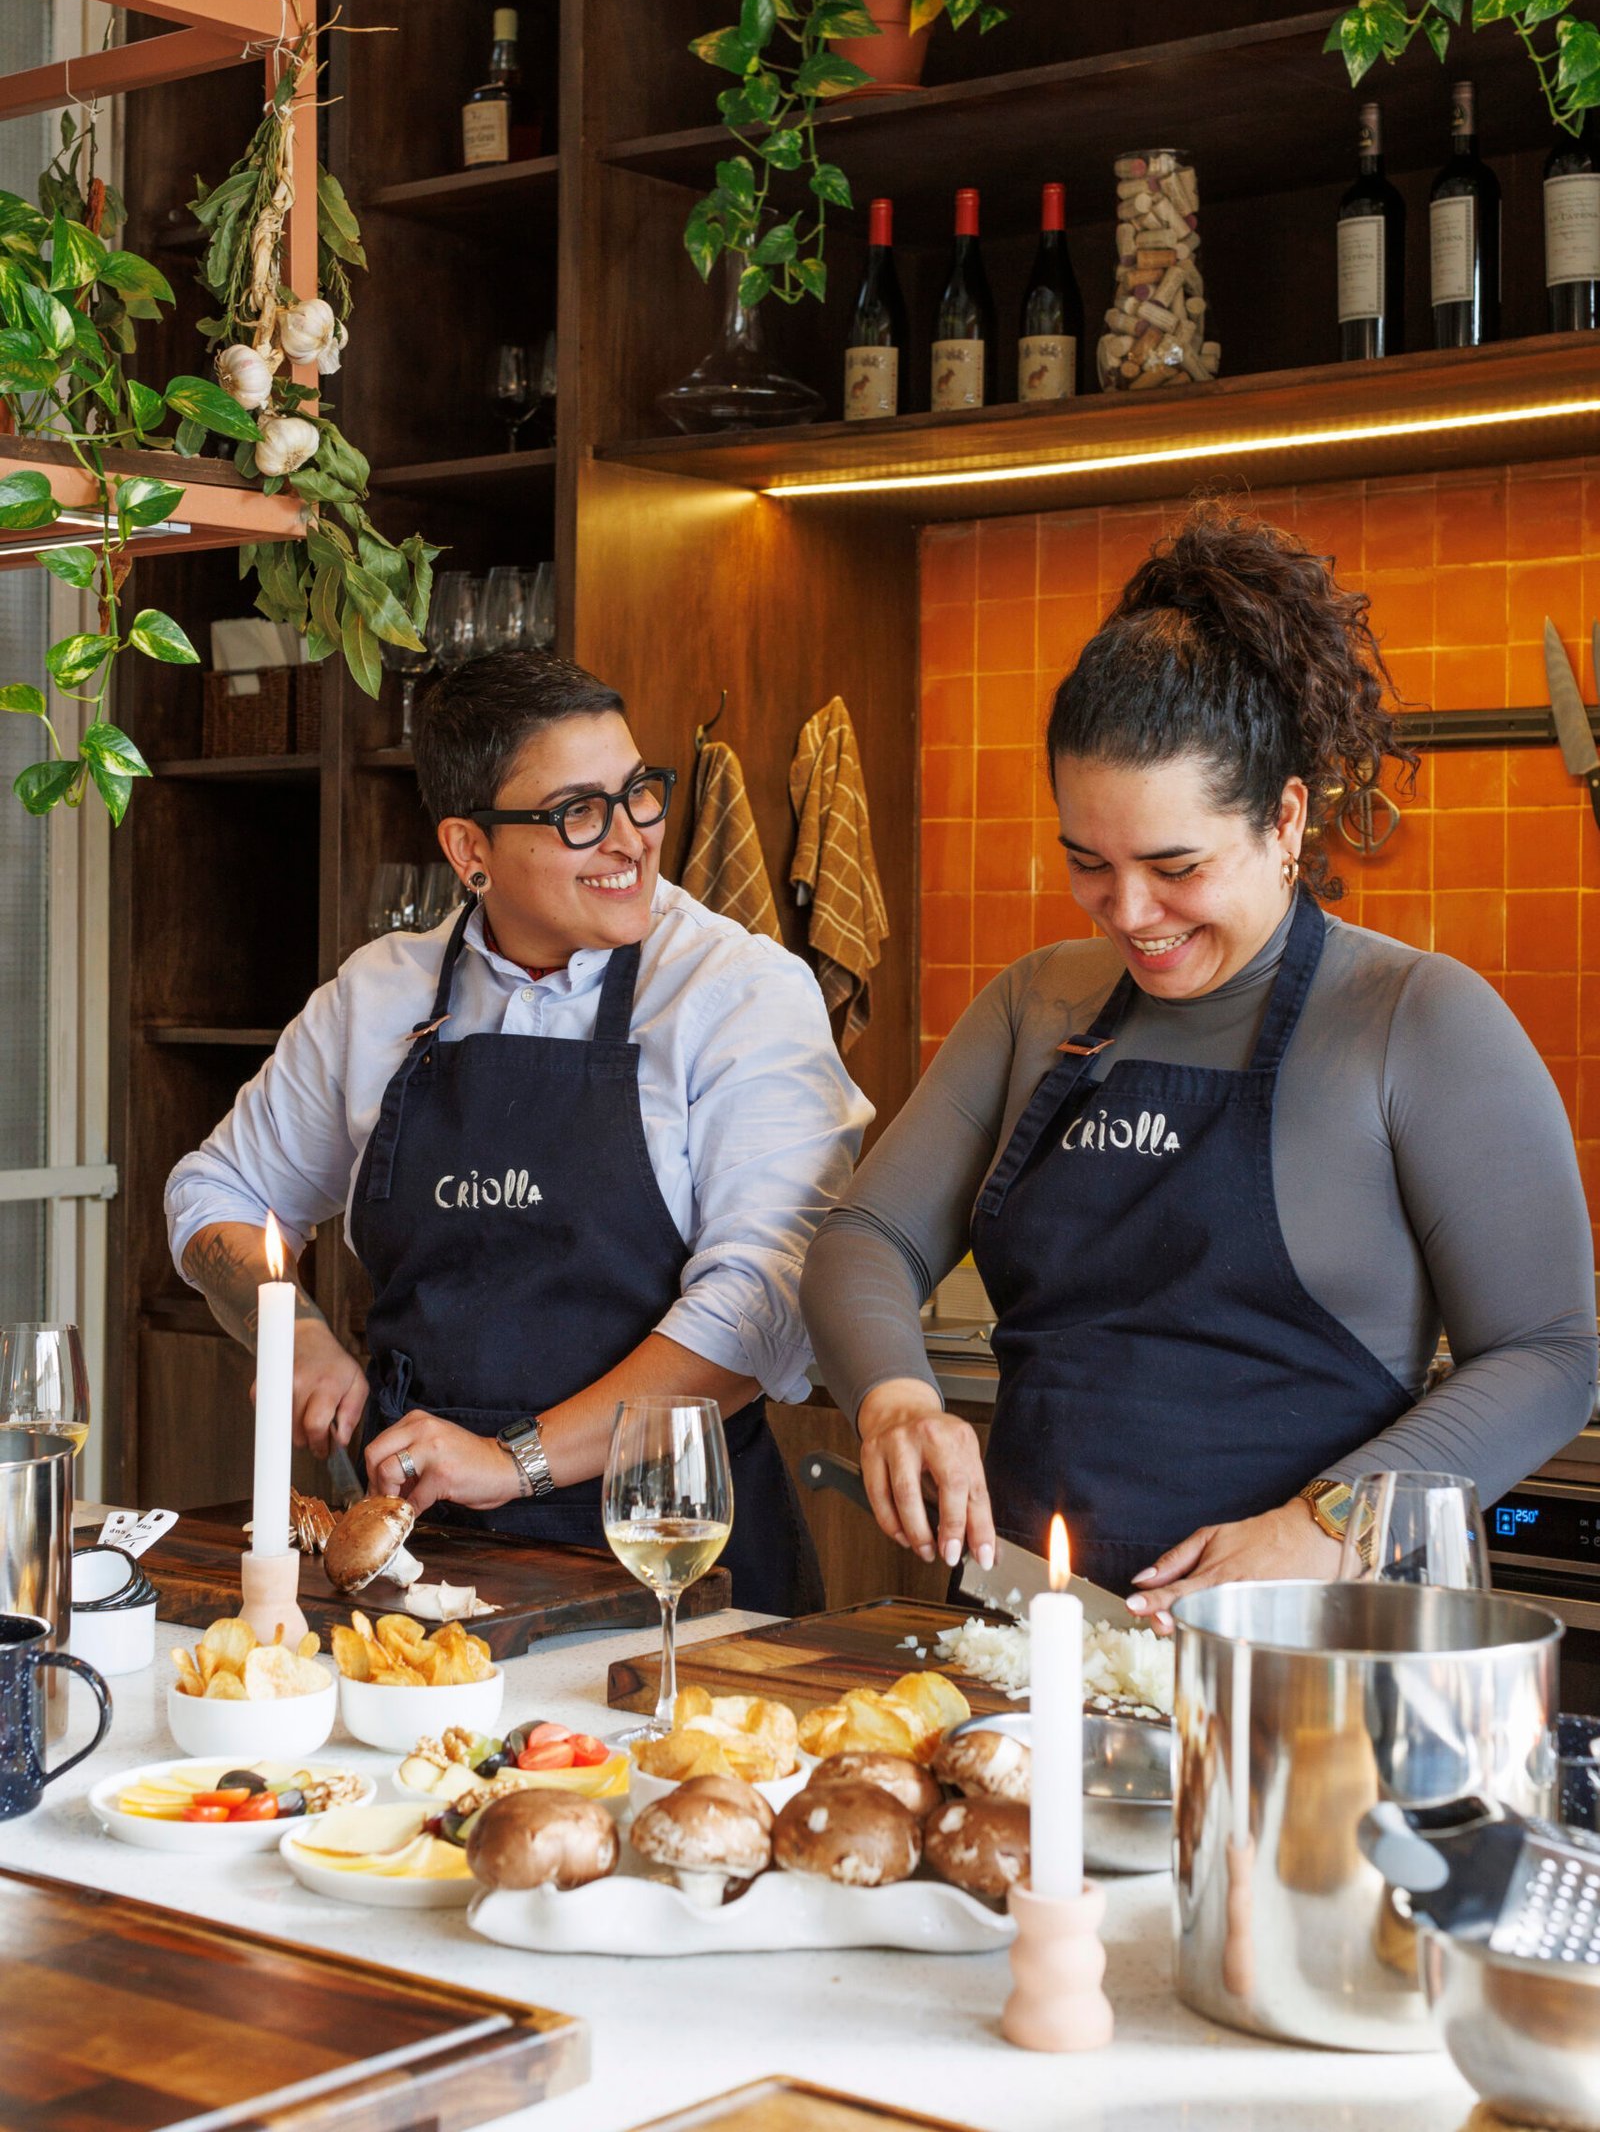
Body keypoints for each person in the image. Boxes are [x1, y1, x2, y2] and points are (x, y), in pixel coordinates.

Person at [802, 507, 1597, 1623]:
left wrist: (1323, 1525)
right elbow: (866, 1237)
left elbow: (1550, 1353)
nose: (1129, 912)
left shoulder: (1416, 1019)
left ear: (1283, 820)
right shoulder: (1036, 1004)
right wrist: (893, 1399)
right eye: (1089, 864)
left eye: (1175, 866)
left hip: (1307, 1654)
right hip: (1030, 1645)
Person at [167, 650, 871, 1613]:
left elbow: (759, 1305)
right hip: (419, 1559)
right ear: (469, 850)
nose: (630, 839)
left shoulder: (738, 993)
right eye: (579, 812)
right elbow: (215, 1193)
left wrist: (514, 1461)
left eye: (640, 794)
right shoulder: (381, 996)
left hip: (675, 1552)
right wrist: (285, 1324)